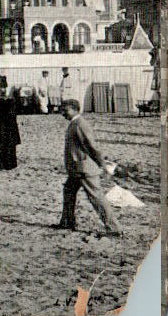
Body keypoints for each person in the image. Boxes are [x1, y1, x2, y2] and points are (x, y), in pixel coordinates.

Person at [52, 99, 122, 236]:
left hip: (84, 169)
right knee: (68, 191)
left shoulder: (80, 124)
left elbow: (91, 147)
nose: (62, 113)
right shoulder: (74, 123)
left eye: (65, 110)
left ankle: (115, 229)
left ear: (74, 109)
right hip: (76, 169)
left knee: (96, 198)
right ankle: (67, 223)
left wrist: (102, 164)